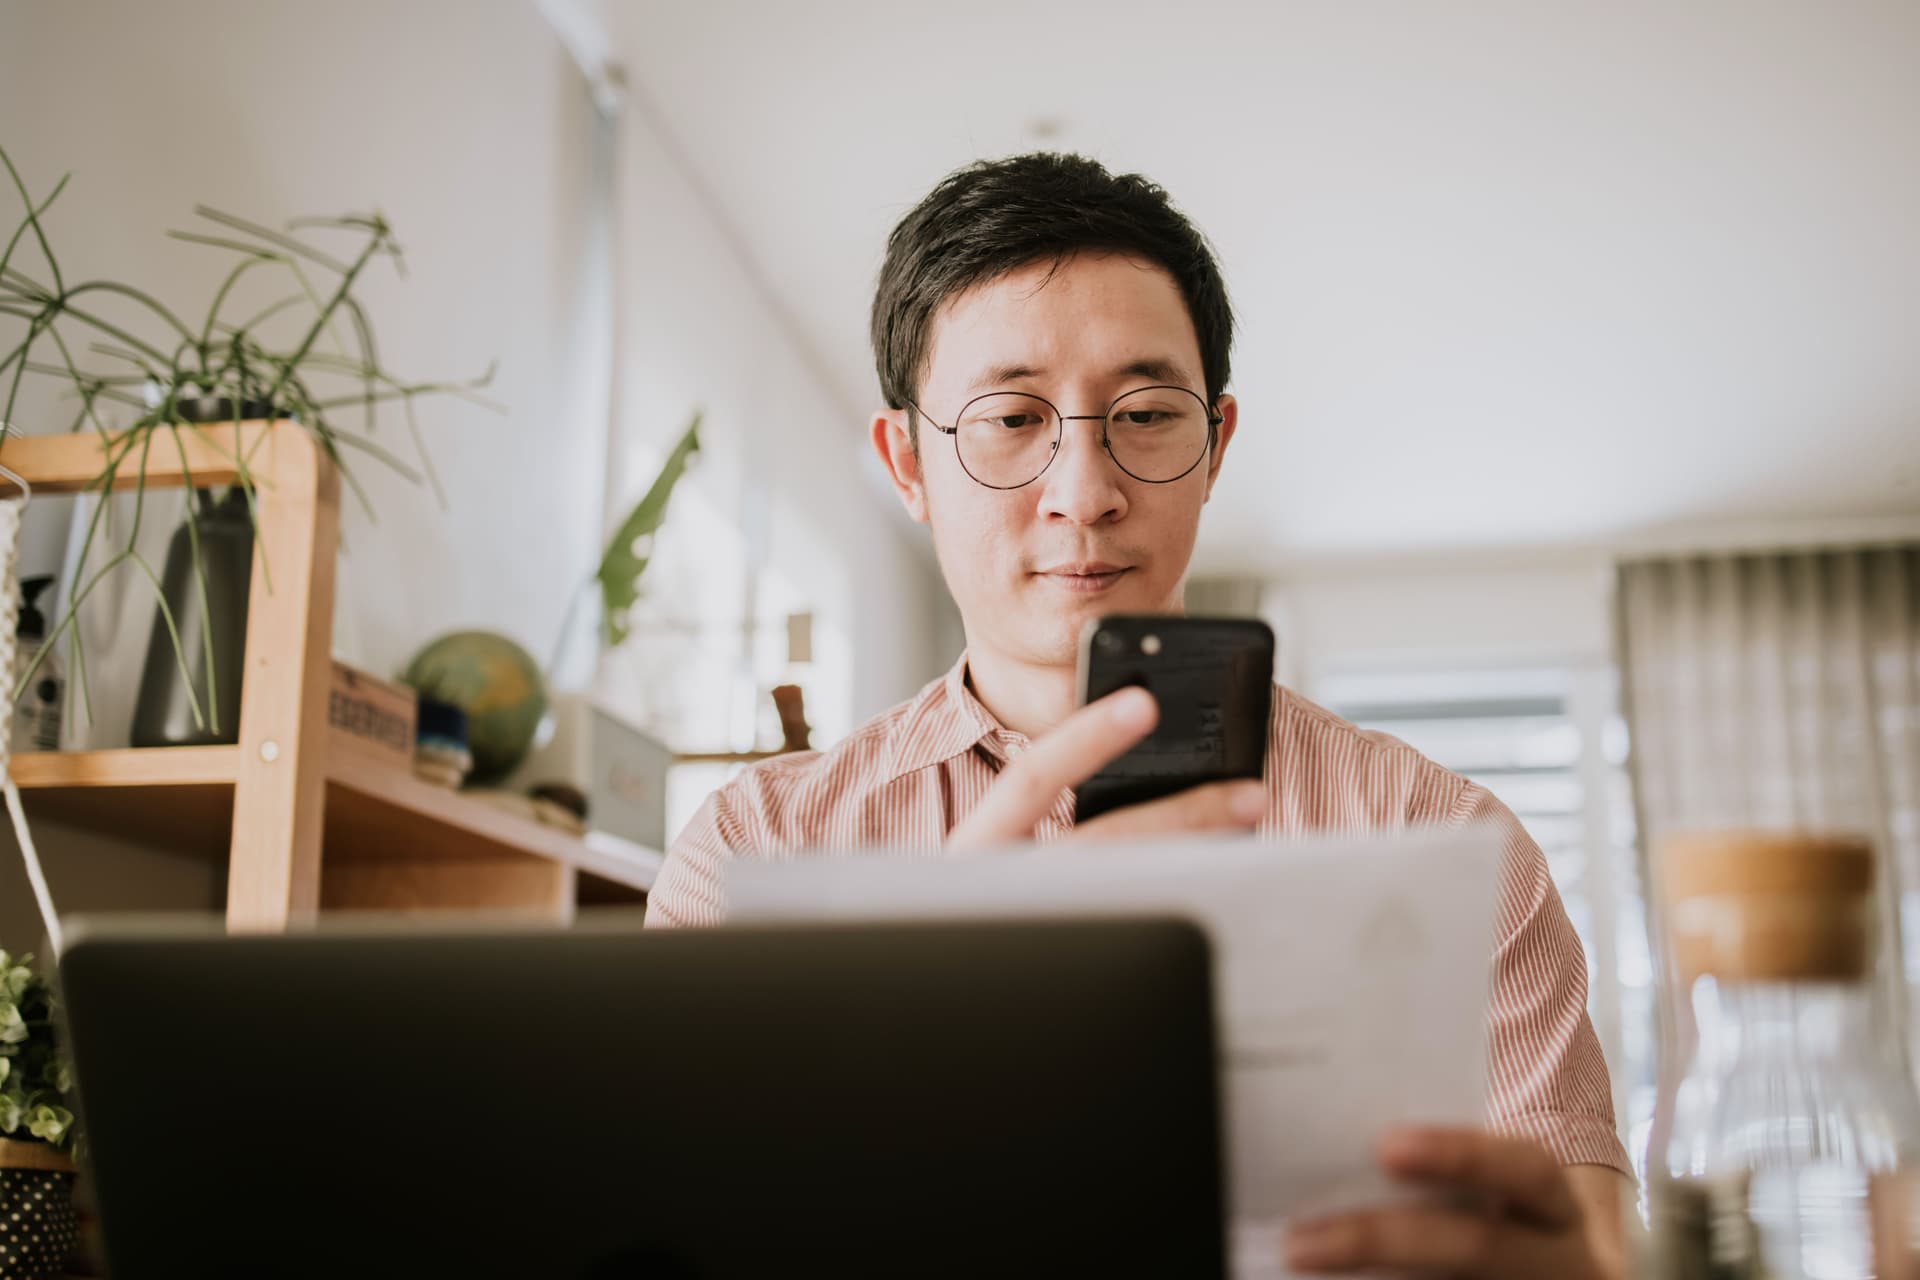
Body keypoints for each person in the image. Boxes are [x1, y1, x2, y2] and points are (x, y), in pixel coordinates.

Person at [647, 152, 1633, 1278]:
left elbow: (1586, 1242)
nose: (1085, 486)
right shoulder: (753, 854)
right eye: (1011, 416)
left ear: (1214, 444)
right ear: (907, 463)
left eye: (1147, 412)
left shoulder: (1444, 841)